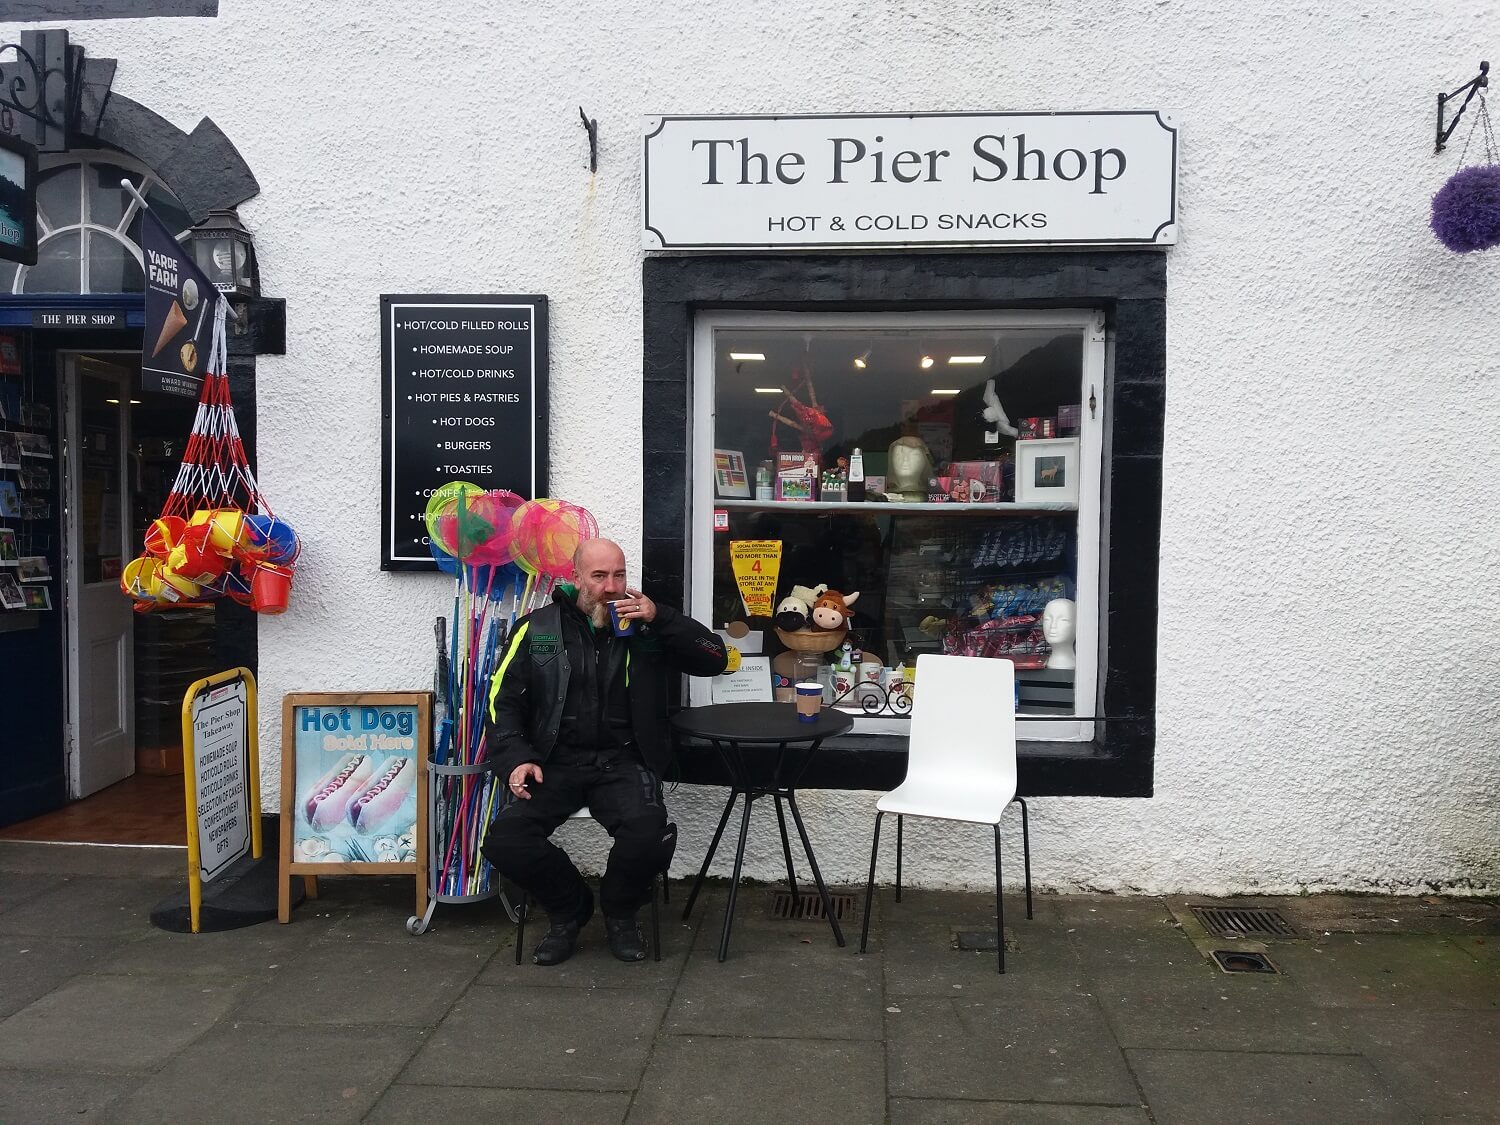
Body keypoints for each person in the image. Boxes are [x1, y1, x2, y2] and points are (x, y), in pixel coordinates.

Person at [481, 538, 728, 965]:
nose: (611, 587)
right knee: (506, 841)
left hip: (624, 761)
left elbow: (714, 658)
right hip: (554, 763)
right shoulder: (538, 629)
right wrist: (517, 757)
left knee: (646, 832)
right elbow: (502, 703)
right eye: (599, 576)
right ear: (576, 578)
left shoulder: (648, 628)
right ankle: (568, 911)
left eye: (619, 575)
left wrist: (663, 617)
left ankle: (620, 913)